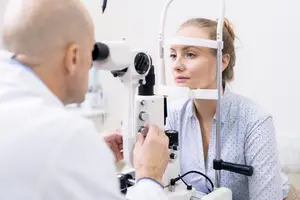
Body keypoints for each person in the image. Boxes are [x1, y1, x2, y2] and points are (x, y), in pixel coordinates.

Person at [0, 0, 169, 199]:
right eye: (90, 54)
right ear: (73, 57)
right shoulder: (66, 135)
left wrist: (84, 157)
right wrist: (150, 176)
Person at [165, 17, 291, 199]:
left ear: (222, 62)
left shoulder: (255, 121)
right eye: (173, 55)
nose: (176, 65)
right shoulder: (172, 116)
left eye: (190, 54)